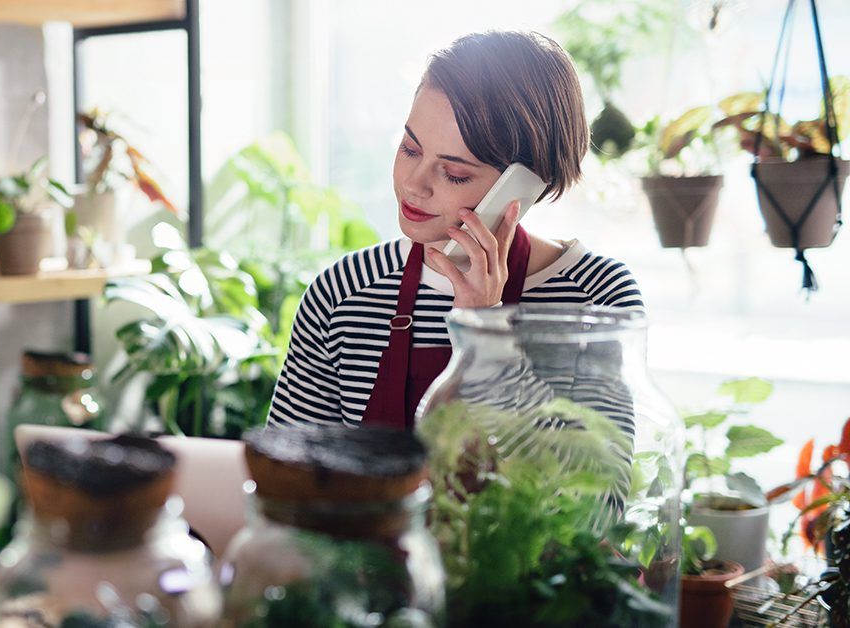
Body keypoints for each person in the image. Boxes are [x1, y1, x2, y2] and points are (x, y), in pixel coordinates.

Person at [267, 30, 644, 430]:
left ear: (526, 185)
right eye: (410, 148)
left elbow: (598, 490)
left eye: (454, 173)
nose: (414, 183)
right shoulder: (344, 291)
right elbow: (289, 477)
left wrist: (485, 333)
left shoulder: (598, 300)